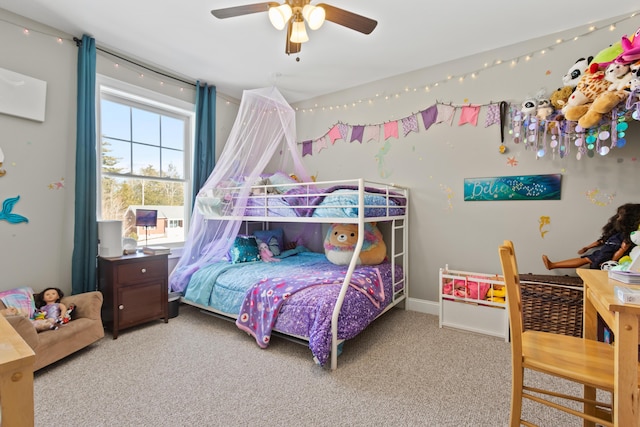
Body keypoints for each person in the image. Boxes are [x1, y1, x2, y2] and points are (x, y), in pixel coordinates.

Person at [542, 203, 640, 270]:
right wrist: (587, 247)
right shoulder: (616, 232)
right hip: (603, 253)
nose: (617, 218)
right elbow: (602, 240)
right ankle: (553, 265)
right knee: (584, 259)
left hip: (606, 257)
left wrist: (610, 262)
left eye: (620, 216)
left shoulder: (628, 237)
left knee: (587, 260)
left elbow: (621, 251)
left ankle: (553, 265)